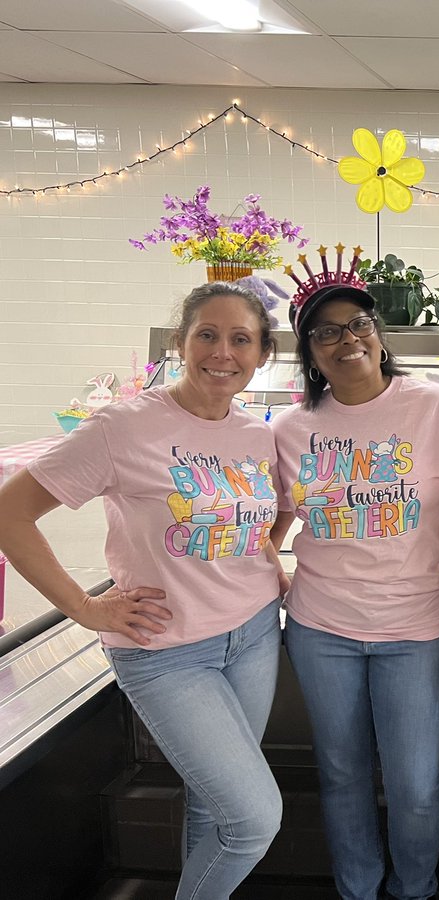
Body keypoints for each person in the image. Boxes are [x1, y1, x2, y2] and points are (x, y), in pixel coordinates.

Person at [0, 282, 288, 899]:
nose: (222, 351)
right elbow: (9, 512)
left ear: (262, 353)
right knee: (255, 819)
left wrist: (266, 558)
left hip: (255, 633)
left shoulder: (255, 434)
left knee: (217, 810)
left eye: (241, 339)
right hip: (165, 652)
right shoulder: (123, 428)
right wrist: (81, 607)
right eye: (206, 334)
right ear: (181, 342)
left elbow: (245, 517)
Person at [269, 263, 439, 900]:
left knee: (415, 784)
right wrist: (263, 564)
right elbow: (268, 517)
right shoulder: (289, 429)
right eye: (325, 332)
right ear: (308, 352)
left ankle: (414, 890)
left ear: (378, 333)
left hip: (418, 627)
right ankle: (357, 890)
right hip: (319, 626)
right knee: (341, 773)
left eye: (357, 323)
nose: (346, 338)